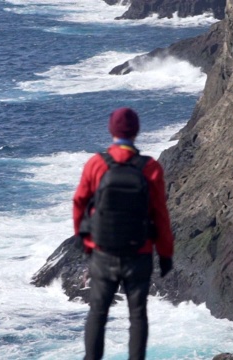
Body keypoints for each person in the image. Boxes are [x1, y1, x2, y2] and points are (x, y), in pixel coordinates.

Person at [73, 107, 174, 360]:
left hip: (103, 252)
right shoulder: (149, 167)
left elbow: (79, 204)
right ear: (137, 132)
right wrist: (165, 254)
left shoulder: (96, 164)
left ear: (111, 130)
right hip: (138, 253)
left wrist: (85, 241)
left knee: (97, 313)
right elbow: (160, 214)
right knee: (137, 315)